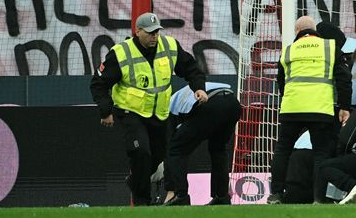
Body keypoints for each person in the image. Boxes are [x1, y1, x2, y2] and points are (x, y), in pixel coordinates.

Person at [90, 12, 210, 205]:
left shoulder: (169, 46)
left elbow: (190, 68)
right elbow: (98, 83)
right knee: (141, 153)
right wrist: (106, 111)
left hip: (159, 114)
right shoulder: (121, 53)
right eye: (150, 32)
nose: (154, 36)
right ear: (137, 31)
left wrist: (199, 88)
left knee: (155, 159)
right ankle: (142, 201)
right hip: (130, 112)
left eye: (157, 32)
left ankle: (135, 181)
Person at [269, 15, 353, 203]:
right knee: (320, 154)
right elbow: (344, 79)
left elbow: (281, 82)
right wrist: (344, 107)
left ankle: (275, 194)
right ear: (315, 30)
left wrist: (290, 99)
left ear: (297, 32)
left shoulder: (288, 51)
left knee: (283, 150)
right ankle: (318, 198)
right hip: (320, 109)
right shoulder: (330, 48)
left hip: (292, 108)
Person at [162, 81, 242, 205]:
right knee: (218, 150)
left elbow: (169, 146)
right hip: (233, 103)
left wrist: (170, 188)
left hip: (210, 104)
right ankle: (221, 197)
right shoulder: (180, 96)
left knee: (175, 151)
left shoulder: (168, 109)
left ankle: (180, 196)